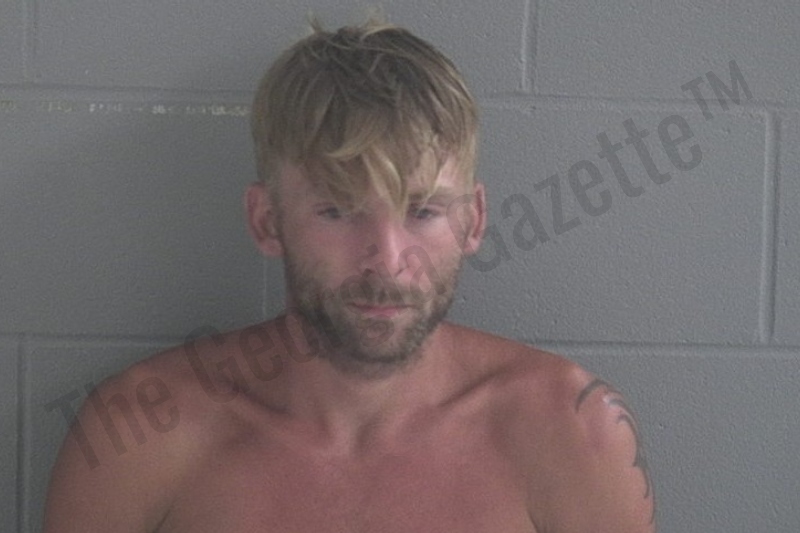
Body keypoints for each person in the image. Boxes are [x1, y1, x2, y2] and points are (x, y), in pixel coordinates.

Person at [43, 18, 655, 533]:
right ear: (267, 221)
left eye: (423, 211)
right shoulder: (140, 436)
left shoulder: (570, 431)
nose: (386, 259)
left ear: (473, 221)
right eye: (337, 210)